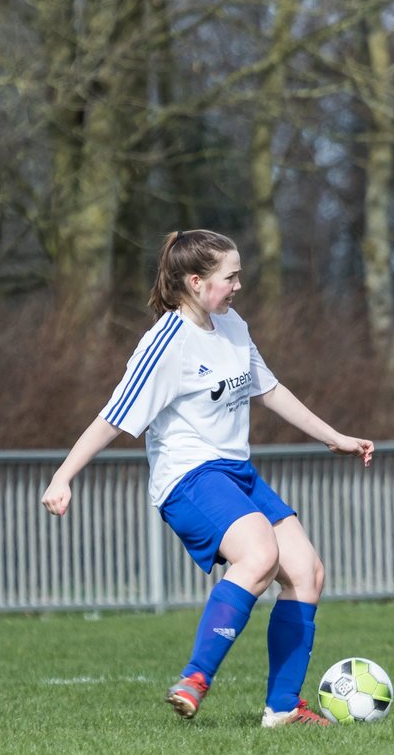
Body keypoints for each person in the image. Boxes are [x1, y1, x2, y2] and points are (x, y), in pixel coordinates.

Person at [41, 229, 374, 727]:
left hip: (236, 473)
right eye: (231, 276)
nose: (239, 285)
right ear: (195, 282)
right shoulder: (165, 343)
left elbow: (271, 390)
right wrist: (63, 476)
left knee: (307, 572)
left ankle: (284, 708)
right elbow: (114, 415)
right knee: (259, 554)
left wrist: (334, 436)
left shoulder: (232, 325)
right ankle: (195, 679)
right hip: (188, 477)